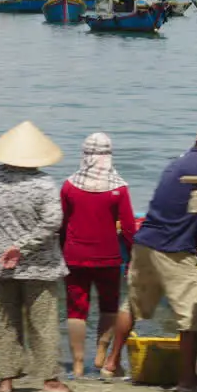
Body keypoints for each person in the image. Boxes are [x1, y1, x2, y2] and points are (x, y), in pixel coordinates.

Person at [102, 127, 197, 390]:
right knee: (192, 315)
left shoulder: (177, 163)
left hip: (144, 244)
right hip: (174, 250)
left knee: (132, 305)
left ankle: (111, 363)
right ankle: (187, 379)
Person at [0, 121, 70, 392]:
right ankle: (49, 378)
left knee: (5, 322)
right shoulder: (43, 184)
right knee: (43, 323)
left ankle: (6, 380)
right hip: (40, 265)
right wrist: (24, 246)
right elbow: (53, 221)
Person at [59, 132, 136, 378]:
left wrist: (61, 250)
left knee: (76, 309)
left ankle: (79, 365)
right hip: (108, 256)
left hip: (75, 255)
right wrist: (133, 256)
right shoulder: (119, 188)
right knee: (109, 305)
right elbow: (128, 228)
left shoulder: (69, 186)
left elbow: (61, 223)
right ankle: (102, 358)